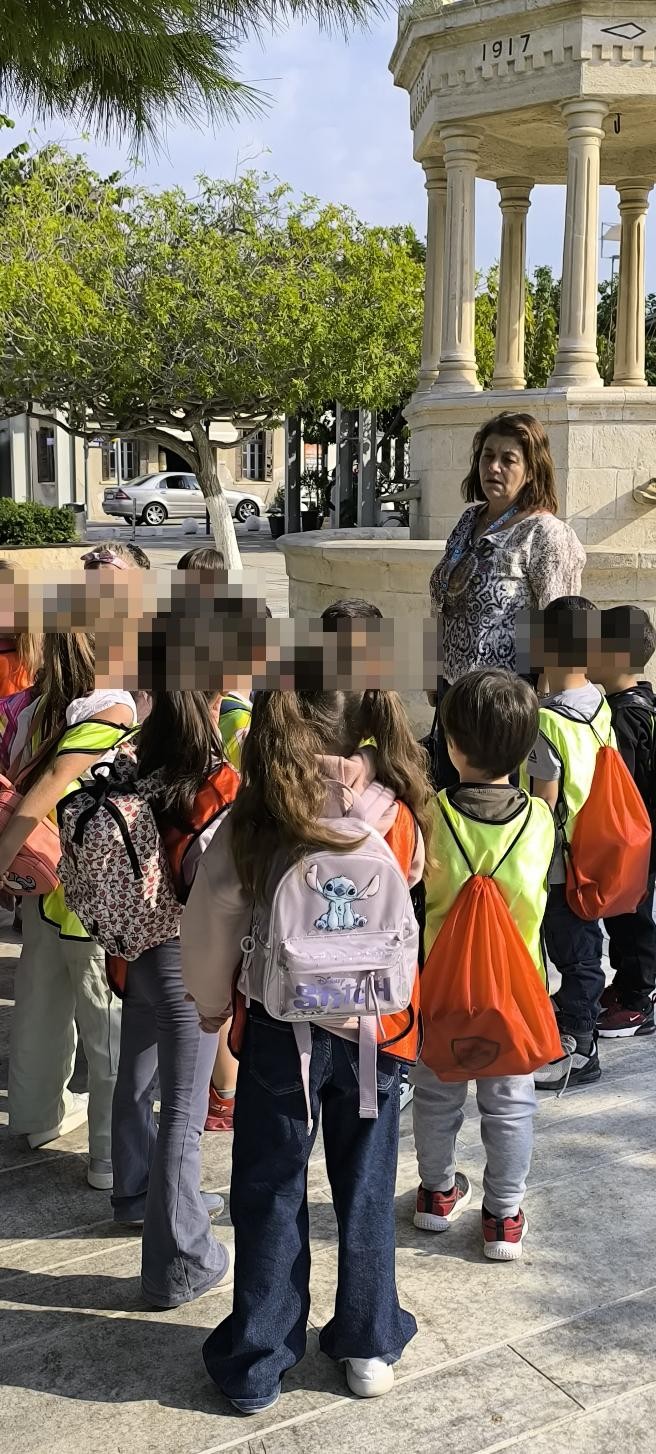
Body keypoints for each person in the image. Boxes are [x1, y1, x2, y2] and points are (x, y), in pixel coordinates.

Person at [181, 688, 432, 1411]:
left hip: (279, 1028)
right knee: (368, 1184)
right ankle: (370, 1343)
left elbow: (215, 915)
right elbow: (412, 888)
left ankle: (259, 1360)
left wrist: (210, 1003)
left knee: (270, 1187)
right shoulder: (399, 808)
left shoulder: (260, 813)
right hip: (377, 1028)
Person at [412, 671, 554, 1260]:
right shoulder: (539, 820)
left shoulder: (431, 814)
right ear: (524, 750)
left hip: (440, 987)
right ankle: (503, 1215)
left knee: (436, 1092)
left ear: (450, 745)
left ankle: (436, 1193)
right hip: (517, 994)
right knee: (511, 1103)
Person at [108, 690, 233, 1308]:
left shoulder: (130, 761)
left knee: (135, 1078)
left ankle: (135, 1191)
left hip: (132, 948)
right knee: (184, 1112)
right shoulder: (212, 783)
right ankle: (178, 1265)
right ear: (210, 704)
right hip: (187, 956)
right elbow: (223, 886)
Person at [4, 632, 136, 1187]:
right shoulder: (112, 706)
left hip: (38, 885)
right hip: (93, 892)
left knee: (39, 1006)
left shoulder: (29, 709)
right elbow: (57, 782)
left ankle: (36, 1118)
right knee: (108, 1027)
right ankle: (110, 1156)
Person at [429, 412, 586, 787]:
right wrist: (430, 671)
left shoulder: (545, 533)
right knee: (449, 804)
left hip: (504, 705)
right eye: (487, 456)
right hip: (455, 696)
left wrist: (543, 704)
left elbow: (560, 623)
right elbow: (443, 601)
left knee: (494, 808)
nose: (493, 467)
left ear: (531, 470)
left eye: (508, 459)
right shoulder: (469, 520)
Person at [524, 597, 609, 1090]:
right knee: (585, 945)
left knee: (572, 952)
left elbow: (544, 801)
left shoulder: (547, 723)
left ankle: (581, 1046)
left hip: (559, 862)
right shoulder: (598, 703)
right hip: (592, 849)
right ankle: (575, 1024)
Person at [594, 606, 656, 1038]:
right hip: (644, 835)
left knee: (631, 918)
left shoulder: (622, 716)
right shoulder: (645, 702)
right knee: (628, 914)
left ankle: (639, 998)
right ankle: (628, 984)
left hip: (634, 838)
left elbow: (622, 786)